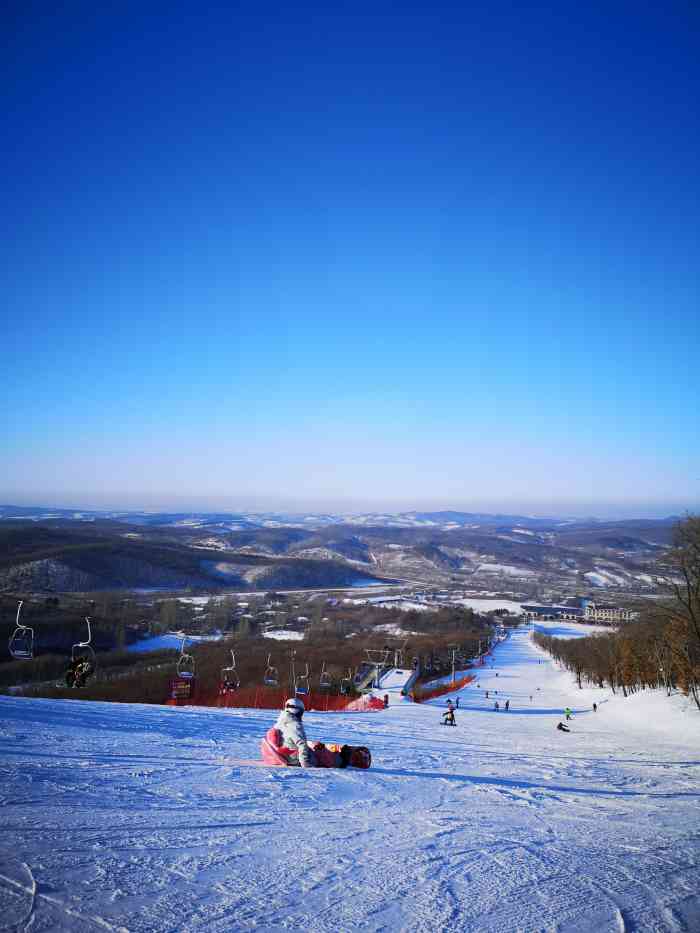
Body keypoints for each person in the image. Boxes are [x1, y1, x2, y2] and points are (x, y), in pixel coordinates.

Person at [273, 698, 317, 768]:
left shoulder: (281, 721)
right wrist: (305, 763)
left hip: (284, 755)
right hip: (294, 759)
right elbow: (302, 744)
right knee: (323, 755)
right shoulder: (294, 724)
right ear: (298, 711)